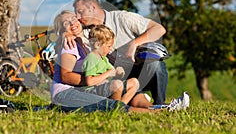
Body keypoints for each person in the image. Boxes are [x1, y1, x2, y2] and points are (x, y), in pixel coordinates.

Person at [50, 10, 189, 113]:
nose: (72, 23)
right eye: (66, 23)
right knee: (108, 104)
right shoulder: (69, 44)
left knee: (134, 91)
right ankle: (157, 112)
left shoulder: (87, 39)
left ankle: (162, 106)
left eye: (73, 18)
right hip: (68, 93)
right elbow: (65, 76)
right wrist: (98, 79)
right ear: (61, 29)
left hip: (92, 87)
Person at [67, 0, 168, 104]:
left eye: (80, 12)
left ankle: (160, 104)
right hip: (113, 79)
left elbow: (159, 29)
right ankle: (126, 103)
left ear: (92, 7)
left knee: (156, 65)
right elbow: (64, 30)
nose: (77, 17)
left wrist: (134, 43)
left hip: (139, 71)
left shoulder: (123, 18)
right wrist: (66, 34)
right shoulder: (86, 34)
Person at [82, 24, 139, 105]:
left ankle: (121, 107)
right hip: (93, 91)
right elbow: (90, 82)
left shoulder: (104, 58)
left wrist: (119, 71)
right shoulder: (91, 58)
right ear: (97, 45)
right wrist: (108, 73)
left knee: (134, 82)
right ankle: (114, 107)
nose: (110, 49)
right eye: (108, 46)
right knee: (117, 84)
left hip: (106, 86)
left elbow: (113, 72)